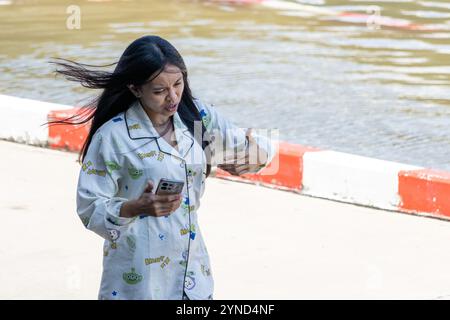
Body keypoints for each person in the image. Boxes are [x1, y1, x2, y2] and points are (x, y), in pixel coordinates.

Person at [47, 35, 276, 300]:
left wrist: (254, 156)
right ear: (135, 89)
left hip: (192, 277)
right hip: (136, 281)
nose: (173, 97)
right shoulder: (113, 137)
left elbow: (259, 148)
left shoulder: (197, 117)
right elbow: (89, 208)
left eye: (178, 84)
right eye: (159, 91)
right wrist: (134, 207)